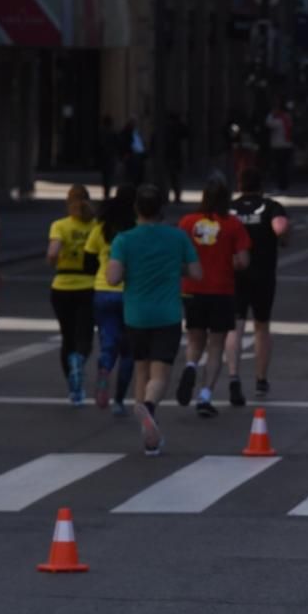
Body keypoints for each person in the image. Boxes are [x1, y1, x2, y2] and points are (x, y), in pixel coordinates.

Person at [107, 185, 202, 456]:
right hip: (167, 314)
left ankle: (148, 436)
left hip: (135, 314)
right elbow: (196, 272)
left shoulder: (124, 239)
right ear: (162, 209)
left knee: (141, 369)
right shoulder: (177, 237)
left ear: (136, 209)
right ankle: (148, 409)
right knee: (159, 374)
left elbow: (113, 277)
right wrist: (175, 266)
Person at [175, 176, 251, 416]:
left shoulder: (187, 222)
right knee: (216, 345)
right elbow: (242, 261)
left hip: (193, 289)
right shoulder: (233, 224)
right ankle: (205, 396)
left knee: (195, 338)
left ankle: (189, 365)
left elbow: (179, 254)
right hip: (222, 290)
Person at [227, 167, 290, 405]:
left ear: (240, 184)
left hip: (235, 274)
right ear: (261, 185)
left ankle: (233, 375)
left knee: (235, 326)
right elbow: (279, 228)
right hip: (263, 274)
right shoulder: (270, 207)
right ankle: (261, 380)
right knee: (261, 327)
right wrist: (282, 238)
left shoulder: (230, 209)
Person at [84, 184, 136, 416]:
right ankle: (119, 400)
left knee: (108, 338)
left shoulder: (100, 228)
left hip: (103, 290)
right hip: (131, 292)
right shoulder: (136, 230)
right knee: (128, 350)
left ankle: (104, 367)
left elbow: (88, 262)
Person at [47, 185, 96, 404]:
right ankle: (80, 359)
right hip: (88, 285)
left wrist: (52, 262)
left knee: (67, 337)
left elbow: (53, 252)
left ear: (68, 203)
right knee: (84, 335)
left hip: (62, 286)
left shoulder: (60, 225)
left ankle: (73, 390)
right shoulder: (96, 226)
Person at [266, 99, 294, 193]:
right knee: (284, 167)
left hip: (279, 146)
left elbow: (268, 123)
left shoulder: (278, 120)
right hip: (287, 145)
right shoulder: (287, 117)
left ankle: (281, 186)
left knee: (280, 168)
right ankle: (285, 185)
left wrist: (271, 114)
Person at [165, 112, 189, 204]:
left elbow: (186, 132)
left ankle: (175, 196)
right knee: (174, 178)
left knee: (174, 178)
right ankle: (176, 196)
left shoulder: (169, 128)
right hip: (172, 156)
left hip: (172, 156)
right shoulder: (170, 129)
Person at [98, 116, 118, 200]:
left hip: (104, 158)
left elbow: (99, 146)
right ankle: (107, 192)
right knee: (109, 176)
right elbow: (116, 145)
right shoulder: (112, 133)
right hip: (110, 158)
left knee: (105, 177)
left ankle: (106, 193)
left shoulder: (101, 133)